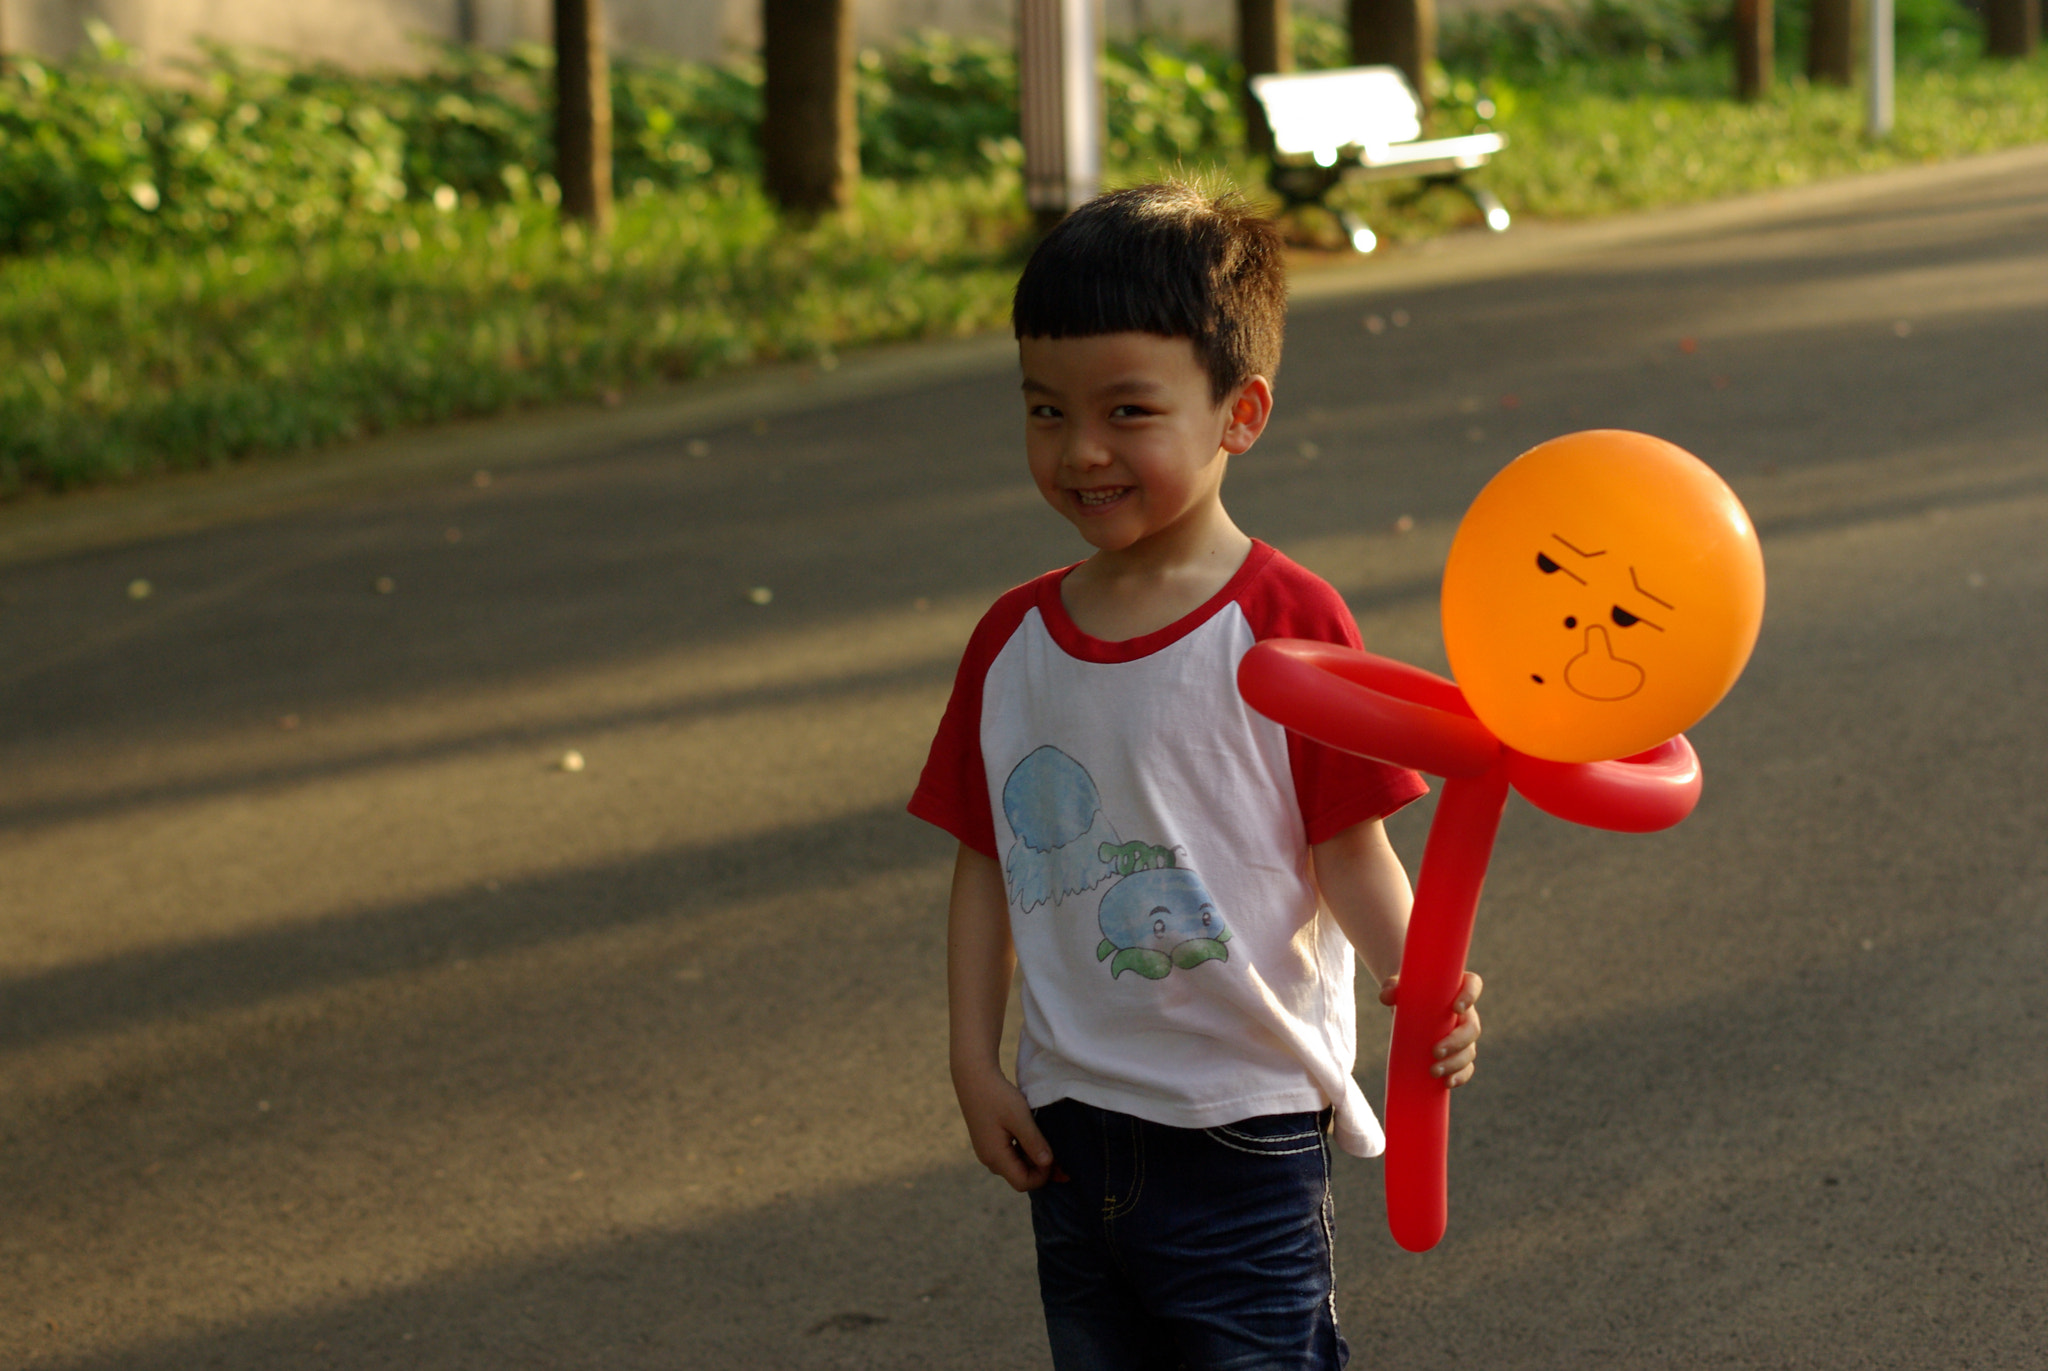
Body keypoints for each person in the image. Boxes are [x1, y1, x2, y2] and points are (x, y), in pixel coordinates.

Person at [907, 181, 1483, 1370]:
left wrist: (1424, 980)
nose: (1079, 452)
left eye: (1127, 412)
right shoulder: (1010, 642)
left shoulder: (1285, 623)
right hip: (1069, 1123)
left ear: (1240, 412)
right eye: (1043, 411)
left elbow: (1348, 845)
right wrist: (974, 1061)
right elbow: (986, 864)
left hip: (1242, 1124)